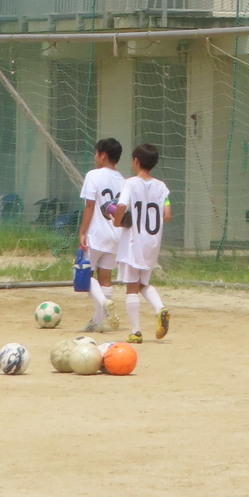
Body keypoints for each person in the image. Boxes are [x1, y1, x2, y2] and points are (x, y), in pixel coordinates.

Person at [112, 143, 171, 343]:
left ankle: (135, 331)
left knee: (131, 287)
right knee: (143, 283)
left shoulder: (130, 183)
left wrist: (118, 220)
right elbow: (168, 214)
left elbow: (121, 205)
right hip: (152, 243)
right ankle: (160, 308)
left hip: (133, 242)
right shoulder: (162, 187)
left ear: (136, 161)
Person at [76, 137, 127, 332]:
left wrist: (82, 232)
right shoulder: (123, 181)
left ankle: (104, 304)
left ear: (103, 155)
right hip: (116, 234)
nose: (95, 157)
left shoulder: (93, 175)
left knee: (83, 274)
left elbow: (89, 206)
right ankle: (98, 322)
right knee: (105, 277)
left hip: (96, 234)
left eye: (96, 153)